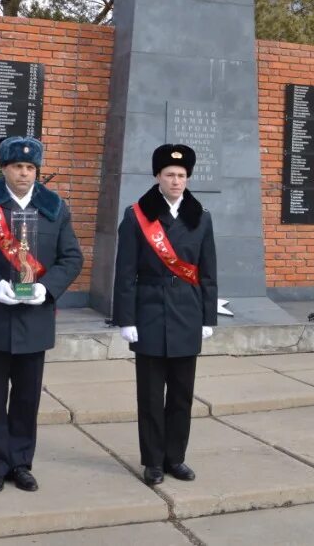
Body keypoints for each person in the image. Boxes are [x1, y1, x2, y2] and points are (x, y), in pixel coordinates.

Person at [0, 136, 84, 493]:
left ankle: (21, 463)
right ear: (3, 168)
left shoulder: (55, 206)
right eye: (16, 167)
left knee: (27, 397)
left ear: (36, 171)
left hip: (35, 317)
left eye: (30, 167)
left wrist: (46, 287)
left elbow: (72, 258)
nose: (23, 173)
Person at [113, 144, 218, 486]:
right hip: (150, 313)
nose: (176, 181)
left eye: (182, 175)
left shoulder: (200, 217)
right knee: (150, 394)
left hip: (187, 312)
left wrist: (208, 318)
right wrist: (125, 319)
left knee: (182, 395)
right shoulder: (136, 216)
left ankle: (176, 458)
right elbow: (125, 272)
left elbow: (208, 271)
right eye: (170, 175)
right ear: (157, 176)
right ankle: (153, 461)